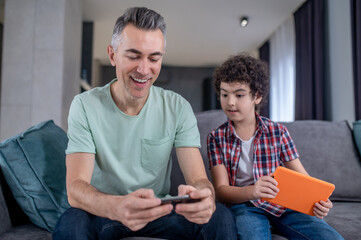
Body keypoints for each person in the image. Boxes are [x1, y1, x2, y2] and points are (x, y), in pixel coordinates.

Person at [52, 7, 236, 240]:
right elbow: (76, 188)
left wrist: (204, 197)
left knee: (219, 217)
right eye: (133, 56)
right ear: (112, 55)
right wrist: (116, 206)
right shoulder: (85, 105)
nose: (143, 69)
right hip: (104, 211)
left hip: (159, 210)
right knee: (71, 222)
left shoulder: (177, 107)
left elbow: (198, 179)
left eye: (153, 58)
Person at [207, 53, 344, 240]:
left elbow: (303, 178)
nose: (230, 101)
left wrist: (317, 201)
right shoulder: (216, 138)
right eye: (224, 94)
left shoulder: (278, 132)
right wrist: (252, 191)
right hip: (244, 206)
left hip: (282, 203)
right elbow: (221, 191)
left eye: (239, 95)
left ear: (257, 96)